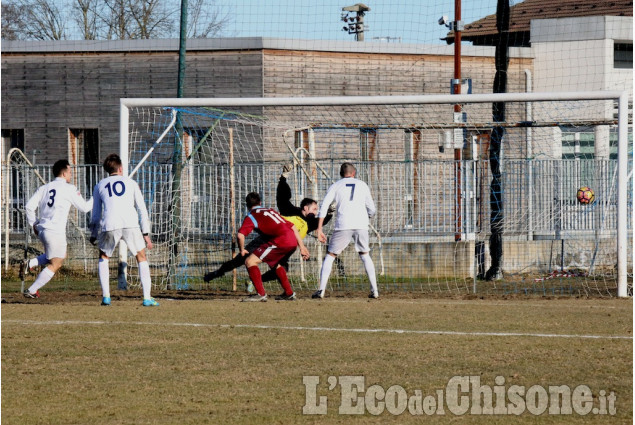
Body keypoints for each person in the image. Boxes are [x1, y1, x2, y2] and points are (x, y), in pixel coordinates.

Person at [203, 163, 332, 284]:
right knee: (240, 260)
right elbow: (282, 198)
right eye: (314, 209)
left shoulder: (310, 223)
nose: (316, 212)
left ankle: (255, 282)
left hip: (284, 246)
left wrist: (331, 211)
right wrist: (283, 178)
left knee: (281, 270)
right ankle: (217, 273)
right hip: (267, 240)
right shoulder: (290, 211)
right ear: (305, 207)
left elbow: (322, 220)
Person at [90, 153, 158, 307]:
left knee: (104, 256)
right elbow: (142, 209)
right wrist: (145, 233)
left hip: (110, 223)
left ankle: (106, 296)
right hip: (130, 223)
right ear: (120, 168)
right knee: (141, 256)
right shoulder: (131, 183)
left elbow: (95, 214)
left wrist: (93, 233)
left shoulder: (99, 185)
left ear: (108, 170)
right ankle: (147, 297)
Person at [21, 159, 93, 298]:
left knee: (56, 257)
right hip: (55, 231)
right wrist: (96, 196)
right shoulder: (69, 188)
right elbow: (84, 208)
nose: (71, 175)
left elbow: (29, 206)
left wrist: (34, 224)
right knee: (56, 263)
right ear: (65, 173)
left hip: (42, 229)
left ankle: (31, 263)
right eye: (70, 172)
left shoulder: (44, 188)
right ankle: (32, 290)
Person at [313, 162, 379, 299]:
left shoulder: (336, 186)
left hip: (343, 224)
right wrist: (367, 217)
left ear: (341, 174)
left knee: (331, 256)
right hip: (361, 225)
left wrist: (319, 228)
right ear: (354, 173)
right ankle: (375, 290)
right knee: (365, 254)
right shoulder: (363, 185)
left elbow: (324, 206)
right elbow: (372, 209)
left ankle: (321, 290)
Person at [237, 192, 310, 302]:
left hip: (280, 240)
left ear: (247, 205)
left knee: (250, 261)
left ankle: (260, 294)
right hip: (292, 240)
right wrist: (302, 247)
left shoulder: (251, 215)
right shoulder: (270, 211)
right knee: (275, 264)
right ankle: (289, 293)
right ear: (260, 203)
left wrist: (242, 249)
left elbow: (240, 235)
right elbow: (293, 226)